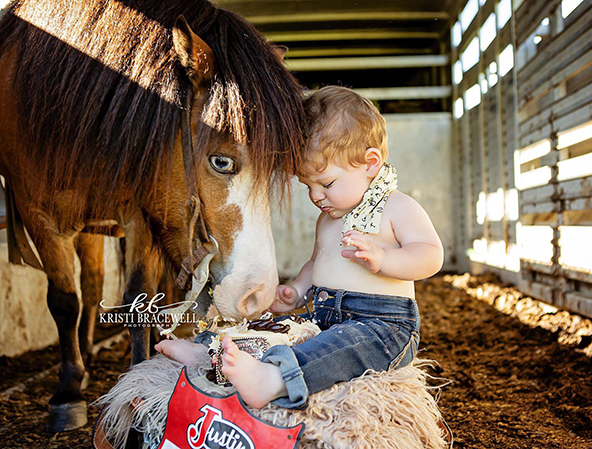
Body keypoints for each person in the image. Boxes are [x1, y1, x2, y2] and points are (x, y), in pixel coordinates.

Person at [156, 85, 444, 410]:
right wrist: (297, 288)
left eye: (327, 183)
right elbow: (317, 262)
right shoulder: (329, 219)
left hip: (381, 326)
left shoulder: (397, 207)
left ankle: (273, 380)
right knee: (275, 329)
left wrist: (384, 258)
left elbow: (431, 255)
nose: (316, 196)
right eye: (308, 186)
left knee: (338, 349)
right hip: (324, 314)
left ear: (370, 164)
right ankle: (211, 352)